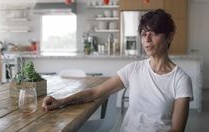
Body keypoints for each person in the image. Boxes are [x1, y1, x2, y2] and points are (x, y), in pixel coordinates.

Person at [42, 9, 193, 132]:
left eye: (153, 33)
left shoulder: (181, 80)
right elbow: (94, 93)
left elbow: (177, 129)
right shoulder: (134, 69)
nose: (147, 39)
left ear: (169, 36)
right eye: (143, 34)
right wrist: (61, 102)